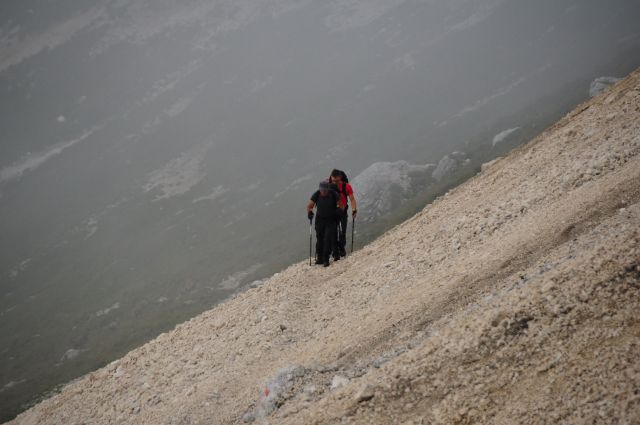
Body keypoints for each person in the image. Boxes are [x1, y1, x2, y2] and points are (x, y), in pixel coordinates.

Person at [307, 181, 339, 267]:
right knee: (320, 238)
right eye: (321, 190)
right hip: (320, 220)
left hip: (331, 219)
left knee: (327, 239)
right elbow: (310, 206)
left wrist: (339, 210)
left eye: (325, 190)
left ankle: (326, 259)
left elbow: (341, 204)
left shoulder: (333, 194)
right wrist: (310, 212)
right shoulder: (317, 194)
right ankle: (320, 258)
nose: (323, 191)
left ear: (328, 189)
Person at [329, 169, 357, 257]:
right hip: (332, 212)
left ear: (340, 178)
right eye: (333, 180)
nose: (334, 182)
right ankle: (335, 251)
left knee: (342, 231)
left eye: (336, 181)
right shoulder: (328, 185)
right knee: (333, 232)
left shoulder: (346, 186)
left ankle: (342, 249)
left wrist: (354, 210)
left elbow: (352, 199)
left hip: (343, 212)